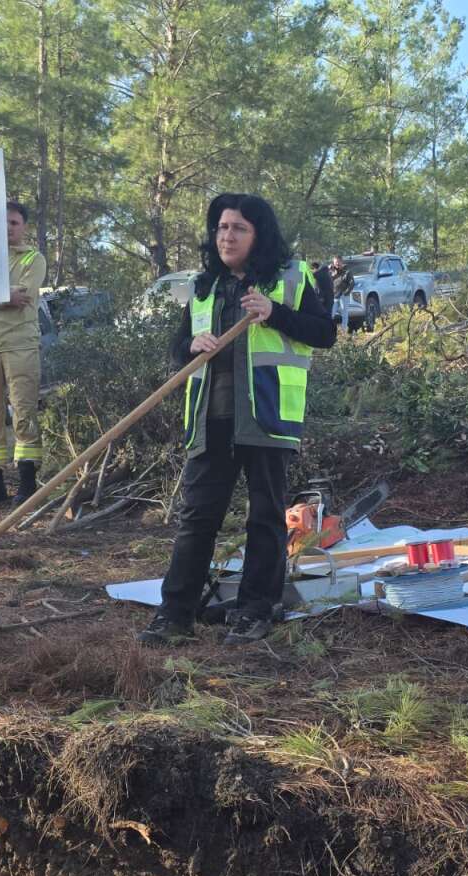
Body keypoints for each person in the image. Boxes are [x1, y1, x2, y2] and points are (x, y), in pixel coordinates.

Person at [138, 193, 335, 648]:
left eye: (238, 228)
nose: (227, 236)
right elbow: (176, 348)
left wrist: (275, 313)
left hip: (267, 417)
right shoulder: (205, 286)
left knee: (265, 518)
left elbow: (324, 333)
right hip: (211, 420)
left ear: (258, 235)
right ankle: (175, 614)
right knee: (196, 518)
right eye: (222, 228)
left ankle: (254, 611)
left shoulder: (290, 277)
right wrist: (190, 345)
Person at [0, 201, 48, 505]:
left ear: (23, 227)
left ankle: (27, 484)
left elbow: (23, 296)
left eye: (14, 223)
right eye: (3, 223)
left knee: (24, 412)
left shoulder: (33, 258)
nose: (8, 228)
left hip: (20, 344)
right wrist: (4, 294)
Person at [330, 256, 355, 333]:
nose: (337, 263)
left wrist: (346, 293)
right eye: (335, 262)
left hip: (343, 296)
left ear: (341, 262)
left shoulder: (347, 271)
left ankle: (344, 331)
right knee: (331, 314)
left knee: (344, 314)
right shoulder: (332, 272)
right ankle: (329, 330)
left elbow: (352, 283)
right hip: (334, 296)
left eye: (338, 262)